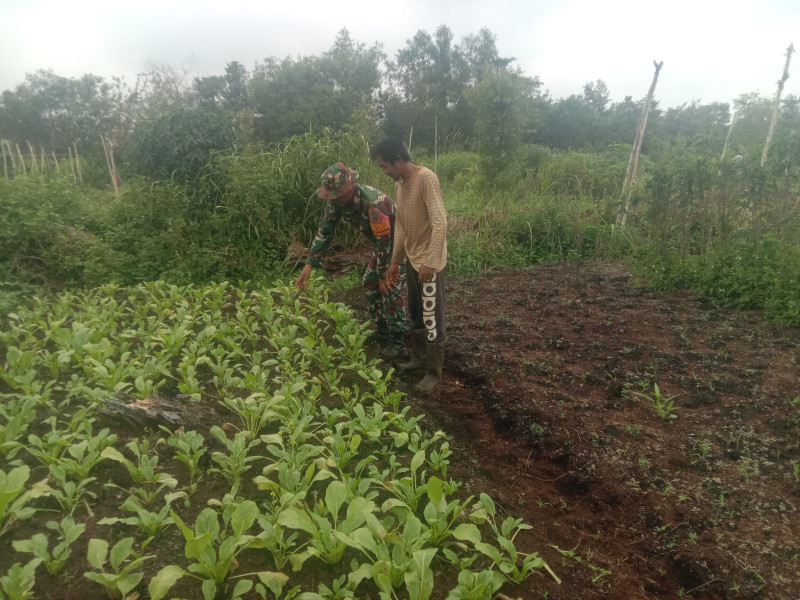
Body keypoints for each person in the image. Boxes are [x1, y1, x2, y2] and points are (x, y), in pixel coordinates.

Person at [295, 162, 407, 357]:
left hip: (400, 246)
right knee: (369, 284)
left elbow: (384, 241)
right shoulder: (338, 202)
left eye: (337, 194)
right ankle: (383, 331)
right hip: (384, 246)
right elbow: (325, 230)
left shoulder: (372, 203)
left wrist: (383, 274)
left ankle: (399, 341)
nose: (334, 199)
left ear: (349, 188)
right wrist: (309, 264)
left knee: (389, 288)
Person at [370, 137, 447, 393]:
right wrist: (395, 262)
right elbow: (401, 225)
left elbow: (440, 222)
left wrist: (431, 261)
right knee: (415, 311)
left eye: (385, 166)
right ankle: (419, 358)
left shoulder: (426, 178)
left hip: (429, 263)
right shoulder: (400, 185)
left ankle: (433, 374)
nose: (385, 171)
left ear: (399, 159)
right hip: (413, 260)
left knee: (431, 316)